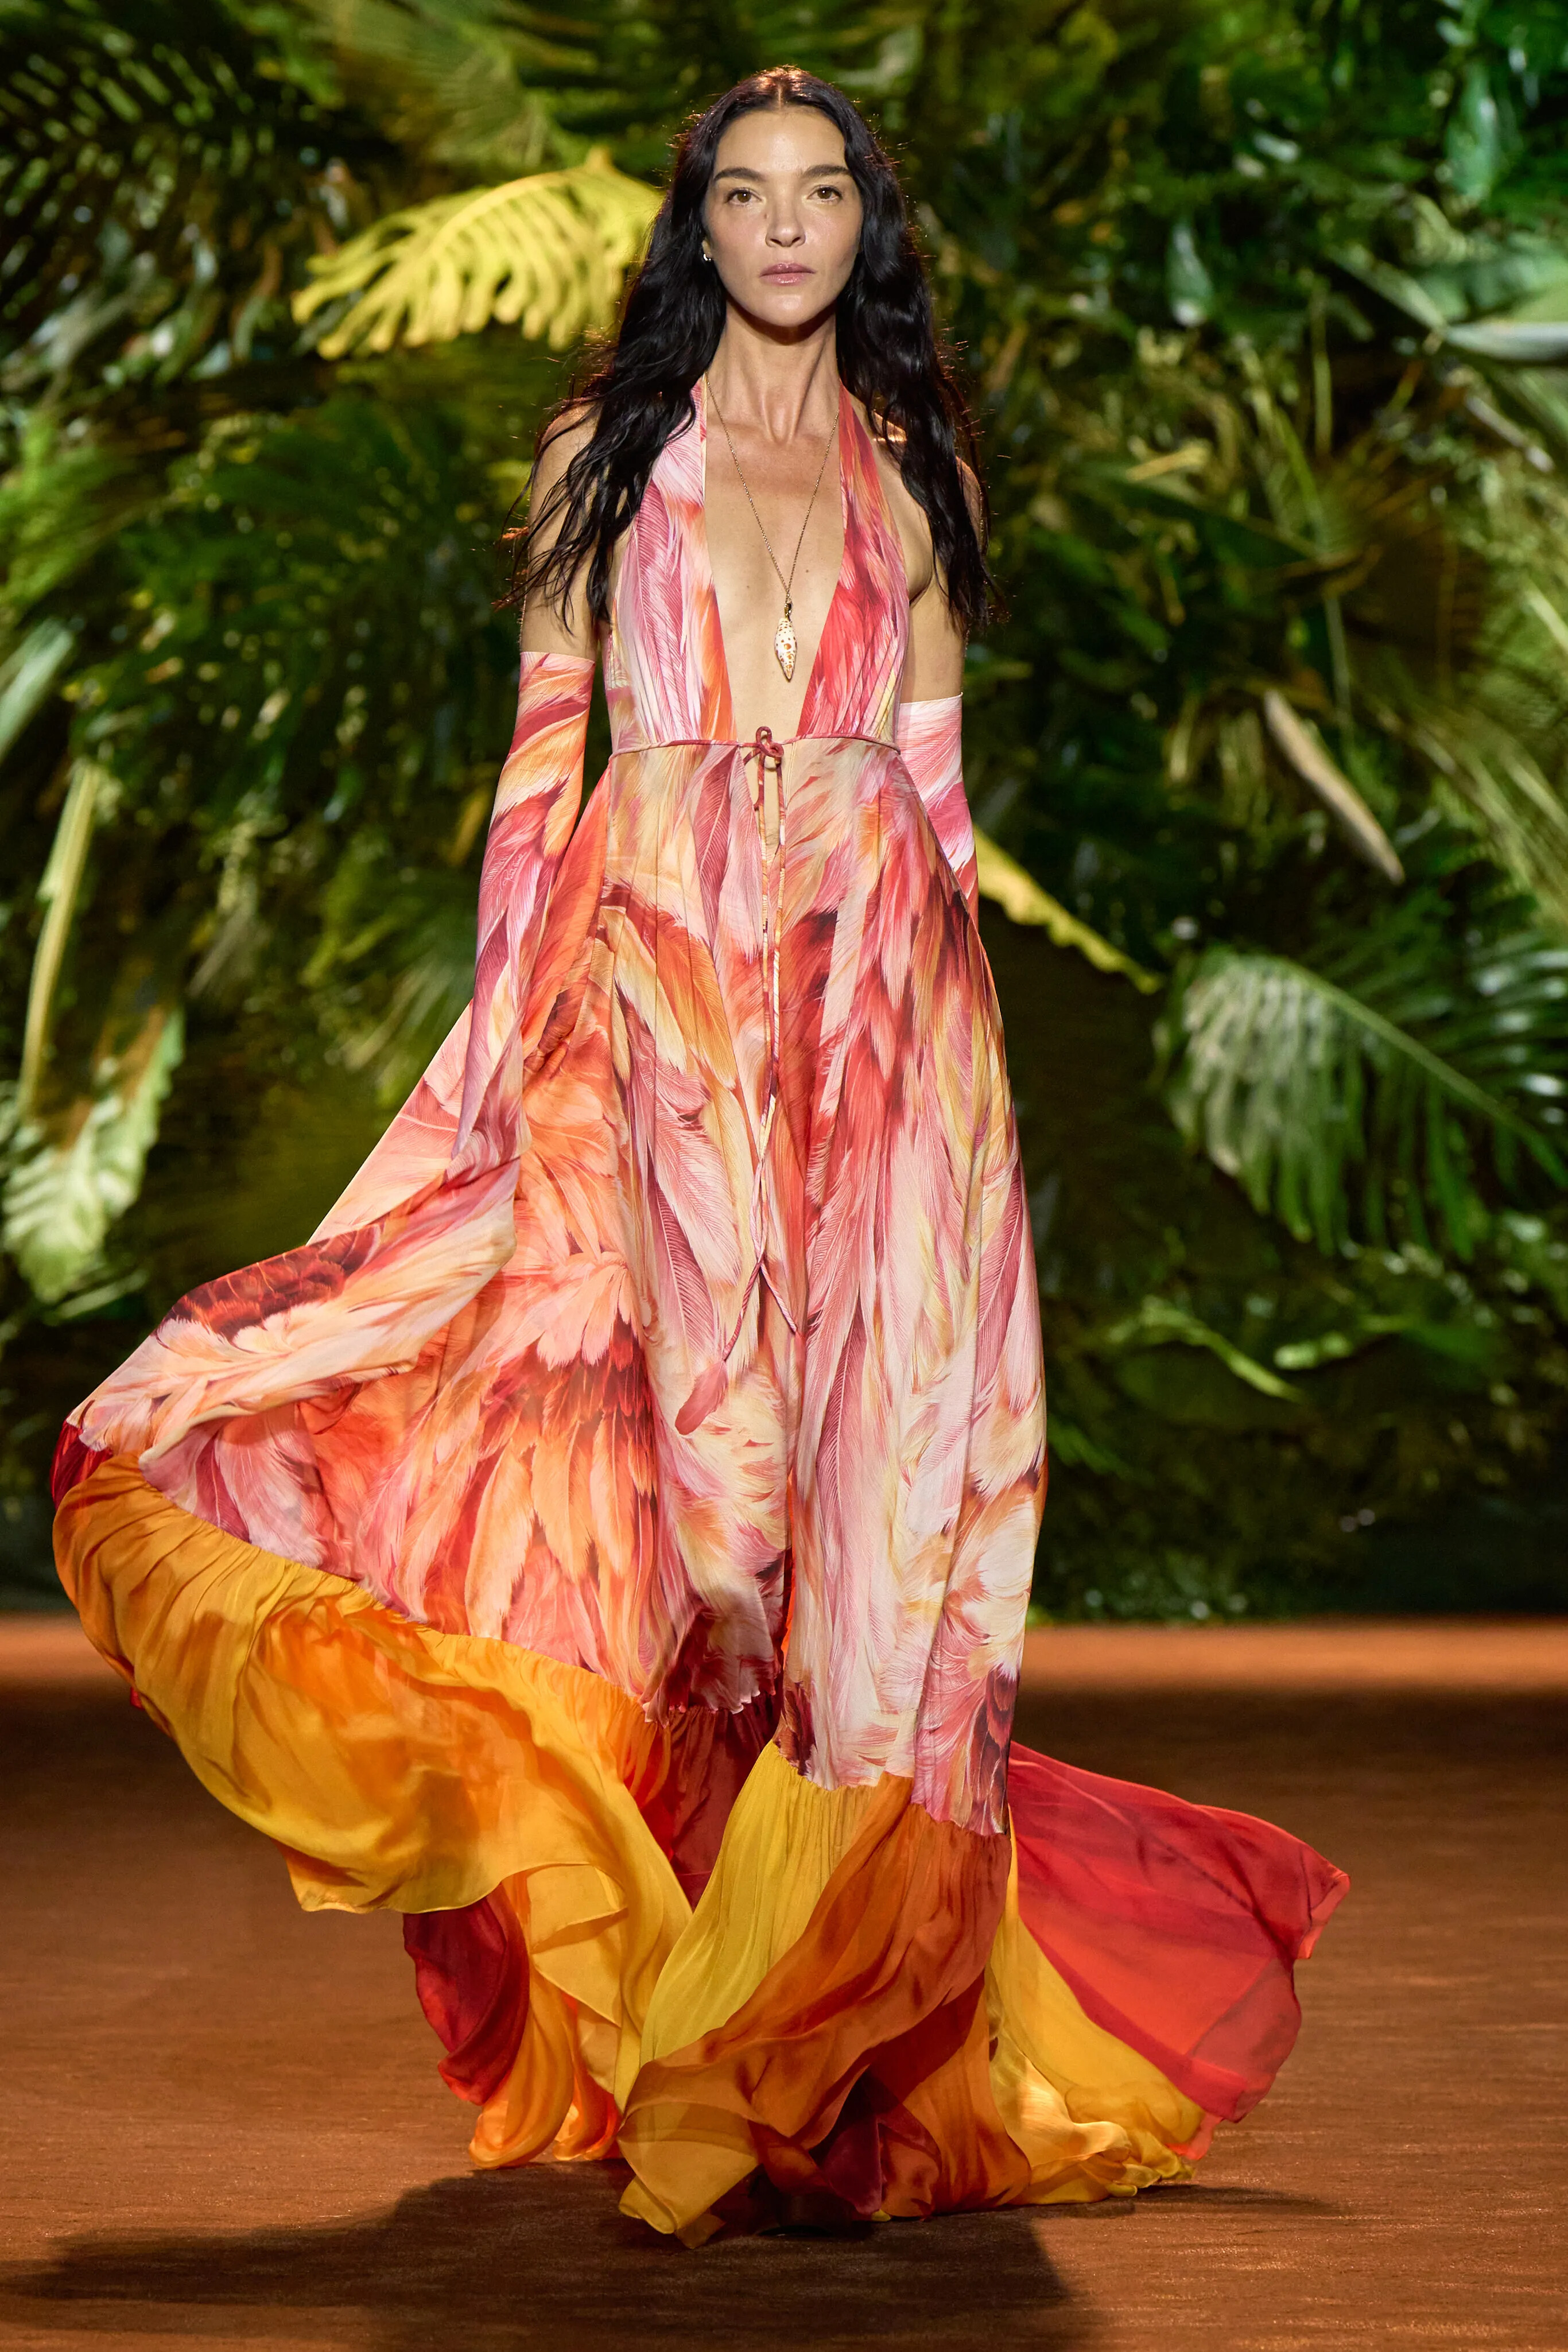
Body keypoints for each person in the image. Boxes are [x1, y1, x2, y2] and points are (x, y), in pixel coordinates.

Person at [52, 67, 1345, 2245]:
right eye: (745, 194)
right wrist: (496, 1051)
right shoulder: (605, 455)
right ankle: (711, 1978)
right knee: (721, 1532)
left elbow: (937, 798)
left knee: (877, 1532)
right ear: (699, 230)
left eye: (820, 191)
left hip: (877, 1013)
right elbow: (539, 763)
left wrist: (961, 1093)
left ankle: (805, 2043)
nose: (784, 225)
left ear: (865, 228)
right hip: (653, 991)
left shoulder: (913, 471)